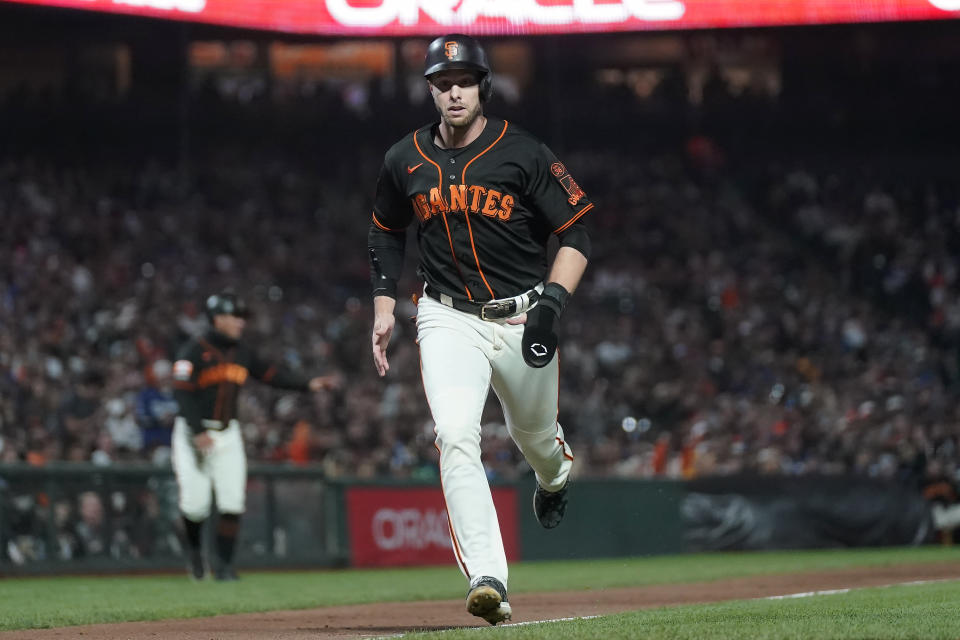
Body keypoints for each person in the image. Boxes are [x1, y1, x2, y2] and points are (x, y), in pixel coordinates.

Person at [367, 34, 594, 625]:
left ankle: (556, 473)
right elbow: (385, 229)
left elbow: (577, 234)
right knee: (456, 432)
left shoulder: (524, 152)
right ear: (431, 92)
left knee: (535, 438)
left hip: (522, 313)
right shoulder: (404, 158)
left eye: (463, 81)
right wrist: (384, 299)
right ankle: (489, 576)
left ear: (482, 87)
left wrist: (552, 303)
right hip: (445, 316)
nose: (453, 92)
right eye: (442, 83)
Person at [171, 290, 338, 581]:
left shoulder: (242, 352)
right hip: (191, 433)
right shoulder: (193, 351)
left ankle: (223, 566)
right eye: (235, 317)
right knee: (194, 506)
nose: (241, 322)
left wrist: (308, 384)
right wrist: (197, 431)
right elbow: (182, 394)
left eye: (242, 317)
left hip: (227, 433)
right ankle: (195, 552)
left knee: (232, 502)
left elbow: (272, 375)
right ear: (217, 318)